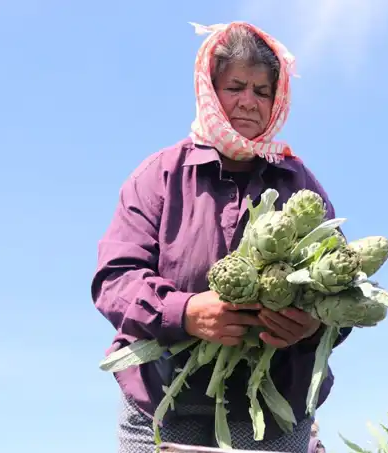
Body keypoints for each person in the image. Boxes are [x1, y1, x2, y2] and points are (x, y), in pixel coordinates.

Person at [91, 21, 352, 453]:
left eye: (262, 91)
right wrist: (185, 311)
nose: (248, 101)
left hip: (274, 410)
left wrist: (314, 322)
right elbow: (114, 279)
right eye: (235, 86)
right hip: (163, 402)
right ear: (210, 90)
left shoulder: (299, 183)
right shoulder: (159, 176)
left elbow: (342, 283)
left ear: (276, 100)